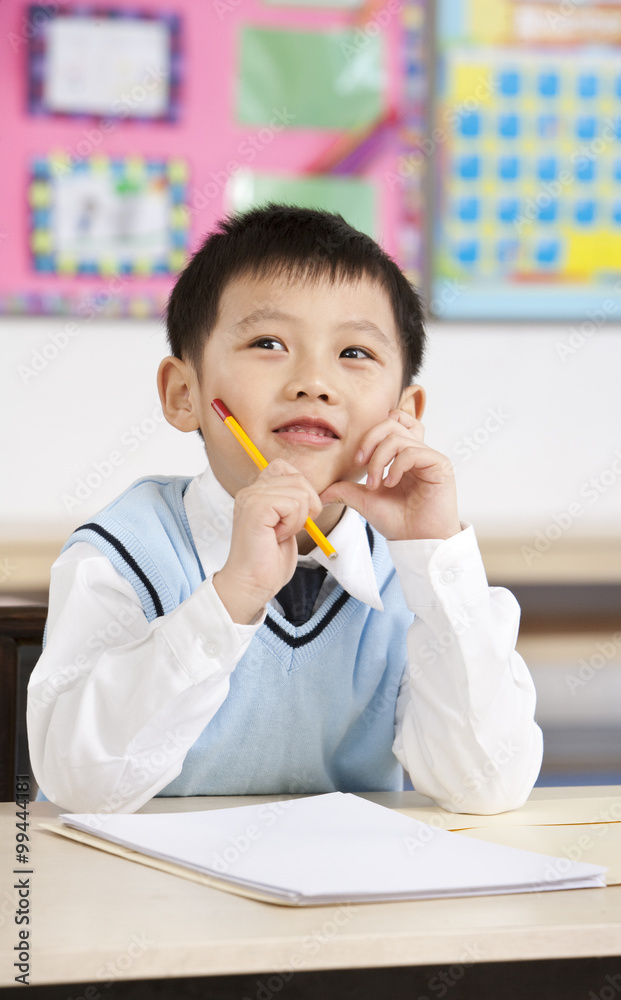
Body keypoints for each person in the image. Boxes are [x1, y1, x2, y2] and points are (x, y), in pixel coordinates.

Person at [27, 204, 542, 815]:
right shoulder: (123, 552)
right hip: (153, 901)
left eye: (355, 353)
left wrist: (436, 558)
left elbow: (484, 786)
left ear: (406, 412)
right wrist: (231, 596)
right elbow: (80, 784)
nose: (314, 382)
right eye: (268, 343)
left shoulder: (412, 570)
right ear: (183, 394)